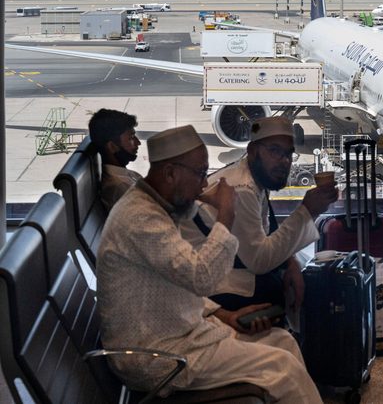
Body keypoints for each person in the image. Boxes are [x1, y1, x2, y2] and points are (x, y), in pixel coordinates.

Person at [96, 125, 322, 402]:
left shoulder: (157, 208)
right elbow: (203, 278)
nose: (205, 185)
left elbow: (180, 282)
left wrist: (224, 315)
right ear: (170, 173)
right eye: (201, 173)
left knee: (283, 342)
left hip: (183, 332)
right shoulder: (142, 220)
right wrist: (226, 214)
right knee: (282, 369)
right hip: (158, 355)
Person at [192, 116, 338, 321]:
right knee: (312, 289)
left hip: (235, 267)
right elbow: (259, 261)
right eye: (274, 151)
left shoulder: (255, 177)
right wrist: (308, 211)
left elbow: (263, 236)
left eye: (288, 154)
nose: (284, 161)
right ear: (252, 151)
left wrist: (291, 262)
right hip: (216, 285)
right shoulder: (241, 188)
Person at [88, 109, 142, 210]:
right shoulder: (121, 186)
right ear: (112, 147)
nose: (138, 142)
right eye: (131, 138)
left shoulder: (122, 175)